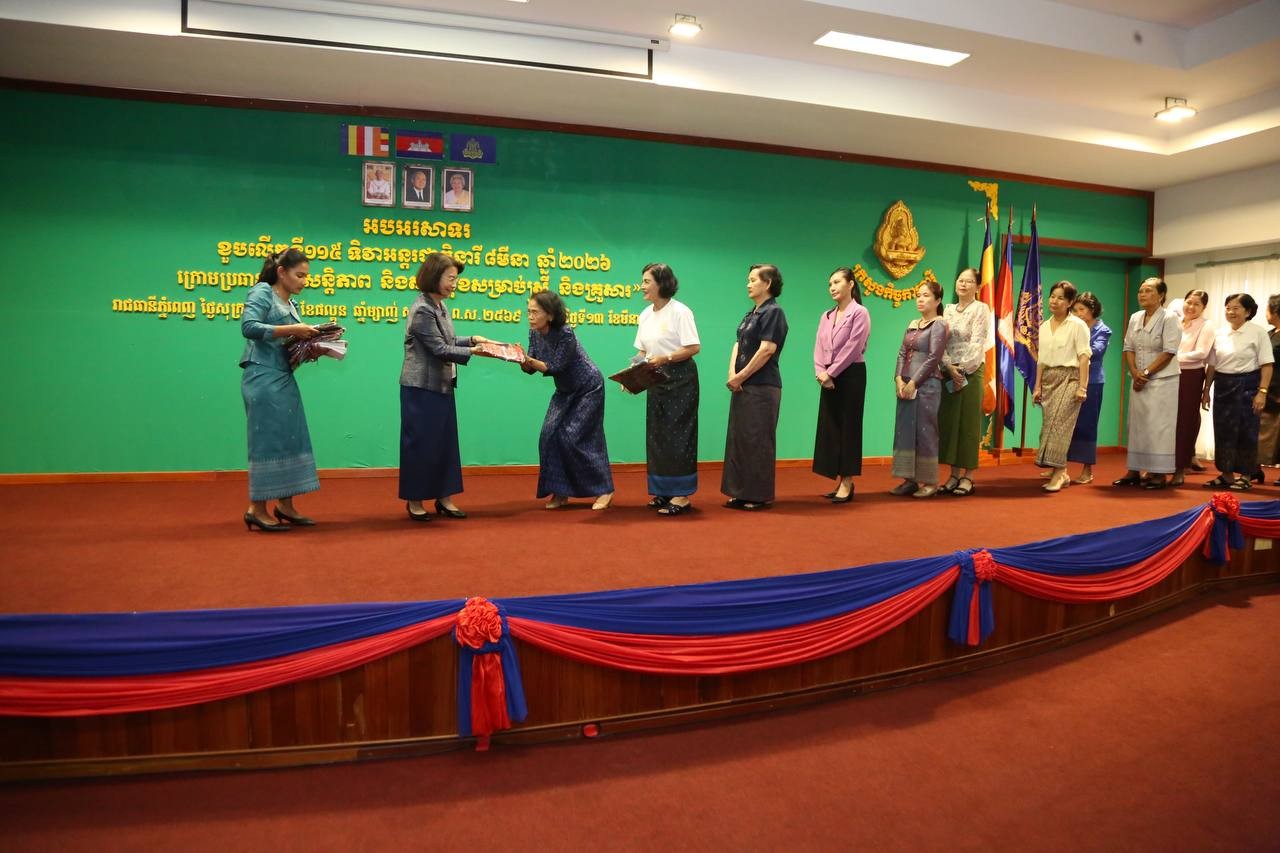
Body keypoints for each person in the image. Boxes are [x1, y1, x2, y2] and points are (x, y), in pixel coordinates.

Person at [399, 252, 488, 522]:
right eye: (450, 278)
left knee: (444, 444)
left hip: (442, 386)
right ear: (434, 276)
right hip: (420, 389)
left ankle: (444, 498)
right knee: (420, 445)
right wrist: (473, 351)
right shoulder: (422, 309)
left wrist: (472, 339)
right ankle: (415, 501)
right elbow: (439, 348)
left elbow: (448, 339)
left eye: (455, 279)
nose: (454, 284)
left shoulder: (440, 306)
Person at [239, 248, 322, 531]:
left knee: (290, 438)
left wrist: (312, 347)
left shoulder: (291, 303)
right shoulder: (262, 292)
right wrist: (293, 331)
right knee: (266, 441)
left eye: (306, 276)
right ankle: (256, 509)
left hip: (284, 376)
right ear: (281, 272)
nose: (304, 281)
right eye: (300, 275)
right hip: (261, 375)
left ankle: (285, 505)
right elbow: (249, 327)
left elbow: (287, 344)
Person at [521, 291, 614, 509]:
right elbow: (531, 367)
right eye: (528, 312)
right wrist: (520, 359)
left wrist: (528, 360)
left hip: (589, 388)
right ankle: (560, 492)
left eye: (535, 312)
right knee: (549, 435)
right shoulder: (534, 333)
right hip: (564, 391)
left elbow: (555, 366)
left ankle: (605, 490)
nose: (530, 317)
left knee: (573, 438)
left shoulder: (565, 333)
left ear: (550, 315)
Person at [633, 263, 701, 516]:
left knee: (679, 435)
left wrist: (666, 358)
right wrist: (633, 375)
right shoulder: (644, 315)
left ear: (662, 283)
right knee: (658, 435)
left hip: (681, 379)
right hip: (656, 379)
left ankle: (681, 495)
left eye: (646, 281)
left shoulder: (681, 312)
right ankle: (663, 491)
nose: (642, 286)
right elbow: (642, 352)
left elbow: (693, 347)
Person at [722, 264, 788, 511]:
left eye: (753, 280)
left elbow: (767, 349)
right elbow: (737, 344)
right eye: (748, 280)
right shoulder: (751, 314)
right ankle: (740, 492)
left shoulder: (774, 312)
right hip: (743, 385)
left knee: (758, 440)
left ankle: (758, 495)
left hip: (762, 387)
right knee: (740, 439)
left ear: (767, 283)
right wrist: (733, 373)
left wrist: (741, 376)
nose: (748, 284)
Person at [1202, 293, 1274, 491]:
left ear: (1248, 311)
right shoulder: (1219, 333)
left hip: (1248, 385)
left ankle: (1246, 475)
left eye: (1236, 308)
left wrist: (1262, 392)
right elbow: (1212, 365)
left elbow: (1267, 365)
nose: (1230, 312)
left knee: (1246, 431)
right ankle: (1226, 474)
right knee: (1223, 431)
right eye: (1227, 308)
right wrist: (1206, 390)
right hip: (1223, 386)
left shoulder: (1258, 333)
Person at [1114, 277, 1180, 489]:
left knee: (1158, 427)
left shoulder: (1170, 317)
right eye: (1140, 290)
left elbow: (1169, 351)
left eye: (1148, 290)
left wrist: (1146, 372)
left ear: (1161, 295)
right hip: (1138, 380)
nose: (1142, 294)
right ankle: (1134, 471)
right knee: (1136, 426)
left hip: (1163, 380)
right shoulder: (1135, 317)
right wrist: (1135, 372)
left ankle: (1158, 474)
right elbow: (1128, 347)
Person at [812, 267, 871, 503]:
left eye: (837, 282)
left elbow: (854, 347)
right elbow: (818, 345)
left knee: (849, 427)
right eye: (830, 284)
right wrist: (820, 371)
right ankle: (838, 479)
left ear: (851, 284)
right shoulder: (826, 315)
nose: (832, 287)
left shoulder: (860, 312)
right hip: (828, 375)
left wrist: (831, 373)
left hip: (850, 375)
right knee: (831, 427)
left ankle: (847, 481)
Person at [891, 280, 948, 498]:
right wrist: (898, 378)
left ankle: (930, 482)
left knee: (926, 432)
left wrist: (914, 382)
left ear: (938, 300)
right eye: (918, 295)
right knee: (905, 431)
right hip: (905, 385)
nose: (920, 299)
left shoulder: (939, 324)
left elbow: (934, 357)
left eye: (926, 295)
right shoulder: (913, 323)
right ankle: (910, 480)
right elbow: (902, 353)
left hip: (927, 385)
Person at [1033, 281, 1091, 492]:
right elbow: (1041, 360)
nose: (1054, 301)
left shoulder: (1078, 325)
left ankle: (1058, 474)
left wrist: (1082, 387)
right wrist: (1037, 387)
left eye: (1060, 298)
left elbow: (1084, 357)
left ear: (1070, 302)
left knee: (1059, 425)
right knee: (1049, 425)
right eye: (1052, 296)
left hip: (1070, 378)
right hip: (1049, 380)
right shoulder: (1044, 326)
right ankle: (1062, 471)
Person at [937, 267, 990, 497]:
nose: (963, 284)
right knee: (950, 424)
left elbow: (977, 342)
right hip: (948, 371)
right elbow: (940, 342)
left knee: (968, 425)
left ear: (977, 286)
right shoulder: (948, 310)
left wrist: (962, 369)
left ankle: (968, 476)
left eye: (969, 281)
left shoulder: (981, 309)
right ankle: (953, 475)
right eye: (960, 280)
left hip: (972, 371)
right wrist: (949, 366)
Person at [1064, 292, 1111, 484]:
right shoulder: (1072, 327)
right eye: (1074, 310)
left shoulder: (1103, 330)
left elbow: (1096, 351)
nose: (1077, 314)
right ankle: (1059, 468)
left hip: (1092, 382)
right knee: (1064, 424)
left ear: (1092, 310)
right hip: (1070, 379)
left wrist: (1076, 349)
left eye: (1081, 309)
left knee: (1087, 425)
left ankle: (1087, 470)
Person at [1172, 289, 1214, 486]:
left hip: (1191, 377)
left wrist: (1171, 358)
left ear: (1203, 307)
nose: (1191, 307)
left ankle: (1180, 468)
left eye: (1197, 304)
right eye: (1189, 302)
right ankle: (1160, 466)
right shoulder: (1175, 322)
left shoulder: (1206, 325)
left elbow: (1202, 353)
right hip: (1169, 374)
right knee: (1166, 422)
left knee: (1185, 423)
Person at [1257, 294, 1280, 483]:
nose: (1265, 313)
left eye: (1267, 309)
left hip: (1278, 388)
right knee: (1261, 430)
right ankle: (1254, 469)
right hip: (1267, 388)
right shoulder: (1269, 333)